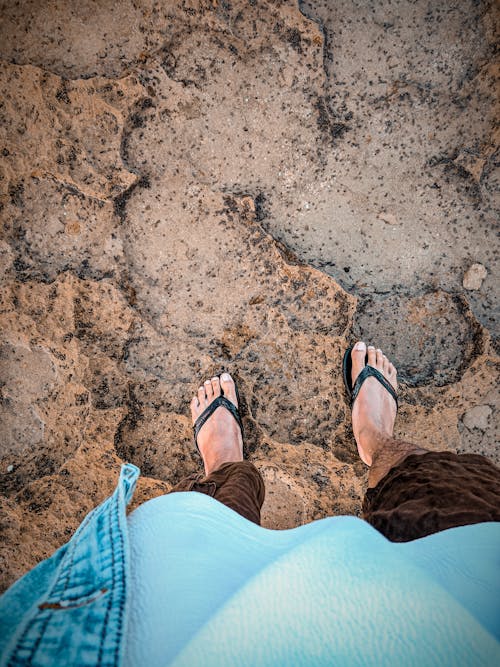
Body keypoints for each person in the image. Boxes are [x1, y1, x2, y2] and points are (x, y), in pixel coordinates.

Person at [1, 343, 499, 667]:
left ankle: (224, 463)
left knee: (208, 530)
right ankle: (375, 439)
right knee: (442, 494)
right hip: (465, 605)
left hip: (166, 641)